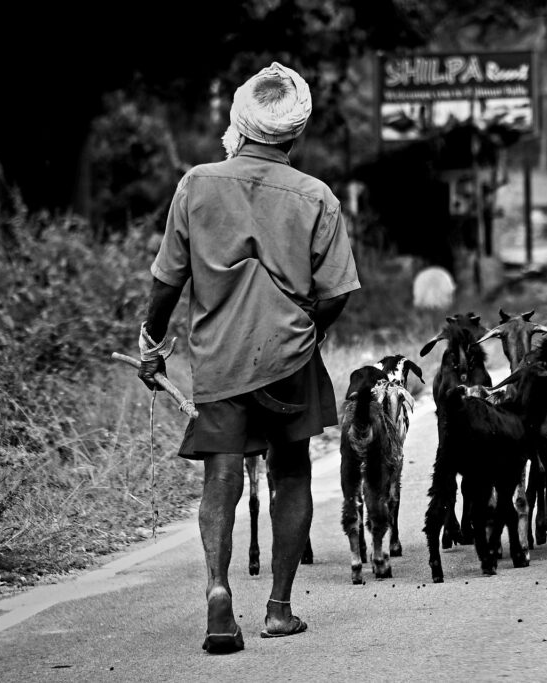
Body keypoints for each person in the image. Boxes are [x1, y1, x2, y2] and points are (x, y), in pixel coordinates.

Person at [138, 62, 359, 654]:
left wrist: (152, 339)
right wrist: (306, 329)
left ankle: (217, 591)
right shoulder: (317, 197)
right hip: (290, 355)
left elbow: (167, 281)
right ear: (295, 133)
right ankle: (280, 610)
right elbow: (337, 292)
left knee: (221, 475)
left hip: (219, 359)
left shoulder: (198, 184)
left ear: (239, 121)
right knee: (292, 472)